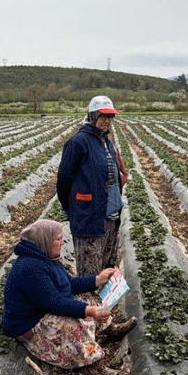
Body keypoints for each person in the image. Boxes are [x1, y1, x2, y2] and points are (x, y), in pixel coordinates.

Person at [0, 218, 133, 375]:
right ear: (45, 240)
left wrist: (97, 280)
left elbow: (68, 284)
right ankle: (95, 367)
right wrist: (88, 311)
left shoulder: (46, 257)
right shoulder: (30, 268)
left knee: (87, 297)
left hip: (43, 310)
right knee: (71, 326)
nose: (62, 242)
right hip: (28, 325)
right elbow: (54, 302)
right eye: (58, 239)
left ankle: (109, 329)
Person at [57, 96, 127, 313]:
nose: (106, 121)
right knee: (90, 274)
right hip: (89, 218)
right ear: (92, 115)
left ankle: (104, 317)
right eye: (102, 116)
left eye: (109, 117)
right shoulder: (78, 142)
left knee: (107, 269)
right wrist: (74, 209)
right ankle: (89, 324)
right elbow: (63, 180)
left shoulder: (106, 142)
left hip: (110, 217)